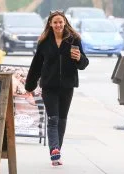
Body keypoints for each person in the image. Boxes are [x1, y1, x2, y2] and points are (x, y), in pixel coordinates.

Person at [25, 10, 89, 166]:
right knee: (53, 118)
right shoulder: (44, 42)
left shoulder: (74, 40)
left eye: (61, 22)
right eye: (55, 22)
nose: (58, 25)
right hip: (49, 86)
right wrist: (29, 87)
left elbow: (84, 64)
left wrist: (79, 58)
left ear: (65, 22)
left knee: (62, 119)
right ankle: (54, 150)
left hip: (67, 86)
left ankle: (56, 151)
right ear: (50, 24)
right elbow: (36, 66)